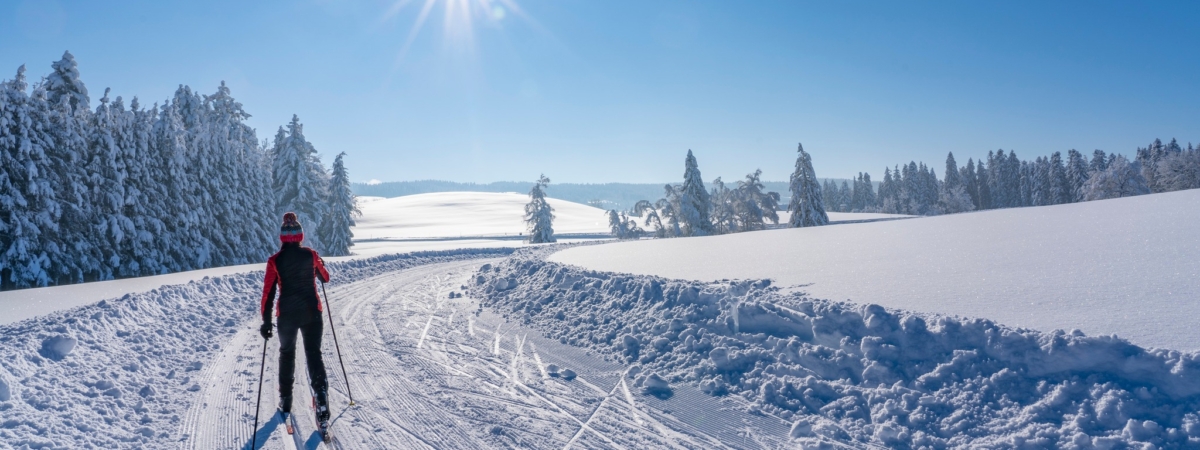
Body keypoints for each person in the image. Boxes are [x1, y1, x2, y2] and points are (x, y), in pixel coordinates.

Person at [259, 212, 332, 426]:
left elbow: (268, 294)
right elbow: (325, 277)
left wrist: (265, 321)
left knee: (287, 354)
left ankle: (286, 400)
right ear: (300, 235)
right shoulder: (311, 255)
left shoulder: (275, 261)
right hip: (312, 313)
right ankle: (321, 398)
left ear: (282, 237)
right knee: (313, 354)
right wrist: (319, 266)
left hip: (287, 316)